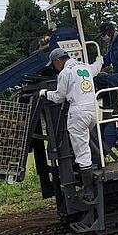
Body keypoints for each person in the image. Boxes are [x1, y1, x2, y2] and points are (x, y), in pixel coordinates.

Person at [39, 48, 105, 202]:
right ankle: (99, 159)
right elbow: (96, 68)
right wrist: (100, 59)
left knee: (81, 150)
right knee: (86, 140)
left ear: (57, 61)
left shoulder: (64, 73)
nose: (55, 67)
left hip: (78, 112)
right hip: (93, 111)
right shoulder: (84, 67)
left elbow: (58, 97)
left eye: (54, 64)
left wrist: (44, 93)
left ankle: (89, 190)